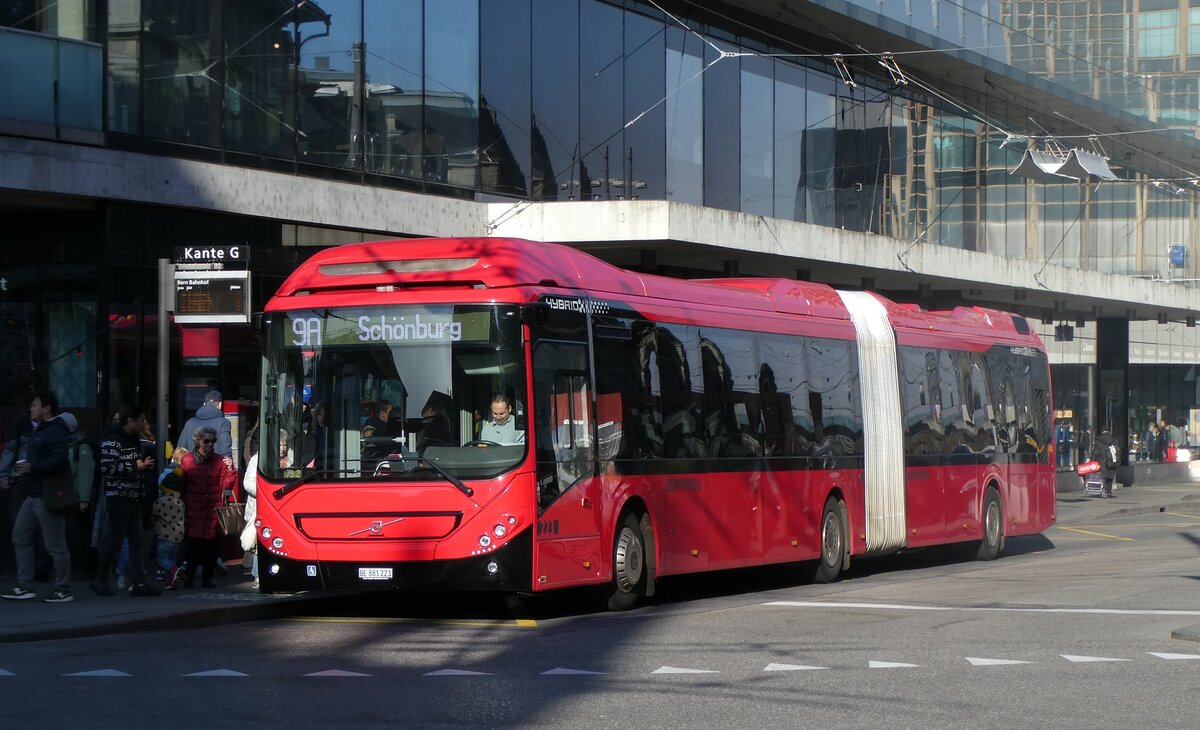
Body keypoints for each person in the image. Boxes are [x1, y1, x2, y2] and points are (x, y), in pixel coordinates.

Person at [2, 392, 76, 603]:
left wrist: (33, 467)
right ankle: (25, 585)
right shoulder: (40, 430)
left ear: (46, 408)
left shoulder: (55, 431)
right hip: (33, 493)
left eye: (35, 405)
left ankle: (63, 588)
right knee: (20, 536)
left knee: (55, 545)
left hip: (47, 494)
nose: (31, 409)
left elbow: (60, 461)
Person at [91, 405, 160, 597]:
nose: (143, 424)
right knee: (115, 540)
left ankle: (138, 582)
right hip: (119, 498)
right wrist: (135, 466)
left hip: (133, 496)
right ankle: (100, 578)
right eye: (140, 420)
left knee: (136, 542)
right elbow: (107, 467)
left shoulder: (134, 439)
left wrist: (141, 468)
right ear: (129, 421)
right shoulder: (112, 440)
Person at [179, 426, 236, 588]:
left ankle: (207, 578)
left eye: (213, 441)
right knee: (192, 545)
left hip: (212, 509)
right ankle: (189, 575)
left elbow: (226, 485)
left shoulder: (219, 461)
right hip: (193, 508)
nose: (210, 444)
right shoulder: (187, 460)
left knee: (210, 547)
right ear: (198, 441)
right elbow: (183, 485)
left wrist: (231, 469)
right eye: (206, 441)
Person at [152, 456, 185, 589]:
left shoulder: (162, 501)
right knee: (171, 558)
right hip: (178, 538)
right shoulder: (180, 502)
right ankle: (171, 580)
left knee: (162, 559)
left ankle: (174, 570)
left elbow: (154, 513)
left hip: (164, 536)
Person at [177, 390, 233, 458]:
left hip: (192, 465)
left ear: (204, 404)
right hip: (213, 466)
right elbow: (225, 447)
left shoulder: (189, 422)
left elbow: (181, 448)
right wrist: (228, 458)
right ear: (220, 405)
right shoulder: (224, 423)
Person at [1090, 429, 1119, 499]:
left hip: (1102, 463)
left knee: (1104, 478)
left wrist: (1092, 461)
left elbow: (1095, 453)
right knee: (1110, 478)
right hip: (1112, 462)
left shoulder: (1099, 442)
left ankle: (1105, 492)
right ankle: (1109, 492)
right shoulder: (1114, 441)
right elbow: (1117, 452)